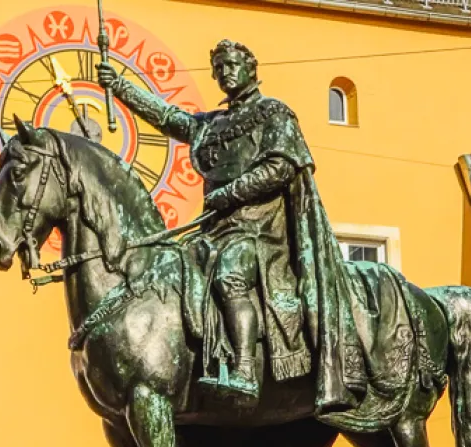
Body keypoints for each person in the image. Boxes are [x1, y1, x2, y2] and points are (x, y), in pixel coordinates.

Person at [97, 40, 365, 411]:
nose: (225, 72)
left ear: (252, 68)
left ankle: (243, 369)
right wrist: (120, 86)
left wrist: (232, 192)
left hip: (261, 233)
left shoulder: (274, 114)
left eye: (232, 64)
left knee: (229, 277)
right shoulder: (214, 124)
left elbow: (281, 167)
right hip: (216, 230)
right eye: (219, 67)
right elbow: (168, 117)